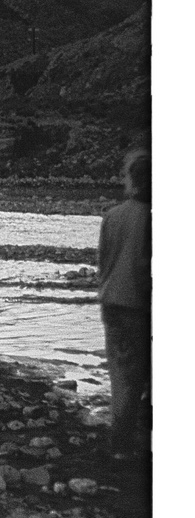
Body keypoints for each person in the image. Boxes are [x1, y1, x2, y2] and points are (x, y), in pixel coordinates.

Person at [98, 148, 150, 459]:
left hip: (112, 300)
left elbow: (103, 264)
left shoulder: (112, 216)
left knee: (120, 374)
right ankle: (128, 442)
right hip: (138, 305)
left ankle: (121, 440)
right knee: (139, 376)